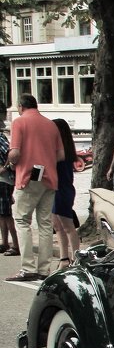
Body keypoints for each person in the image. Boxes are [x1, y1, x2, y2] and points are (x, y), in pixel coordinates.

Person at [5, 94, 64, 282]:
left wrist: (11, 163)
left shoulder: (19, 122)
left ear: (21, 107)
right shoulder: (51, 124)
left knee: (22, 220)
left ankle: (27, 267)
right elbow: (61, 155)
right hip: (50, 177)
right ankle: (44, 268)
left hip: (29, 176)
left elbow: (14, 153)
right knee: (45, 224)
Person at [51, 119, 82, 269]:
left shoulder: (61, 151)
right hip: (56, 189)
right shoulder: (62, 149)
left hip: (62, 189)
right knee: (58, 226)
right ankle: (64, 257)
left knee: (67, 225)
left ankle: (76, 257)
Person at [0, 110, 19, 257]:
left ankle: (15, 245)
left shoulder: (0, 138)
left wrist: (4, 168)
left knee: (6, 214)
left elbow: (10, 153)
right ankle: (5, 243)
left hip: (4, 180)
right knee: (2, 214)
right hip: (3, 180)